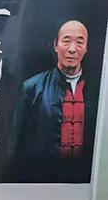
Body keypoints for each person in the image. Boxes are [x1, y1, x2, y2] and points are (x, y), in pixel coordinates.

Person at [8, 20, 97, 183]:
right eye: (66, 41)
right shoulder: (33, 87)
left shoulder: (97, 91)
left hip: (83, 181)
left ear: (86, 48)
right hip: (42, 179)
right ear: (56, 45)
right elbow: (16, 143)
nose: (72, 49)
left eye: (79, 42)